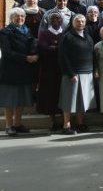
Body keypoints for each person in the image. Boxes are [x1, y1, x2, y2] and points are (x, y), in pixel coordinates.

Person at [0, 8, 38, 136]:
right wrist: (26, 58)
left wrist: (35, 53)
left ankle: (18, 124)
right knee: (10, 100)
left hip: (24, 70)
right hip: (10, 71)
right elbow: (7, 52)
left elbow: (31, 45)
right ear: (11, 18)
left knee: (21, 99)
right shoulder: (5, 32)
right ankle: (8, 125)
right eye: (17, 16)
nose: (20, 18)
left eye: (22, 16)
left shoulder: (27, 31)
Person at [58, 14, 95, 134]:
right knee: (69, 100)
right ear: (73, 23)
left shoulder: (88, 37)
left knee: (82, 100)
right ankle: (66, 125)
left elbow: (93, 55)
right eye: (78, 21)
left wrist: (95, 70)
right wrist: (70, 73)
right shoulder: (67, 37)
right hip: (73, 74)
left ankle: (80, 123)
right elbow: (63, 57)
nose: (80, 23)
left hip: (87, 73)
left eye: (83, 21)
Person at [36, 12, 64, 131]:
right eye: (53, 18)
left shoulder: (65, 33)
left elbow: (65, 50)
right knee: (49, 95)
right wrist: (55, 49)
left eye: (58, 18)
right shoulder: (44, 33)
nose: (56, 20)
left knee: (62, 95)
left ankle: (64, 121)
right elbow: (43, 49)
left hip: (62, 69)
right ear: (49, 20)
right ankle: (53, 121)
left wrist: (52, 48)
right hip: (48, 69)